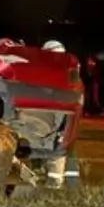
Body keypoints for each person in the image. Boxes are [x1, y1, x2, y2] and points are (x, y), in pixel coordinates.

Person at [40, 40, 77, 188]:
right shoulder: (65, 72)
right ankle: (70, 186)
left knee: (58, 150)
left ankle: (55, 185)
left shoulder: (61, 74)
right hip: (57, 120)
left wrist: (61, 129)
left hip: (60, 121)